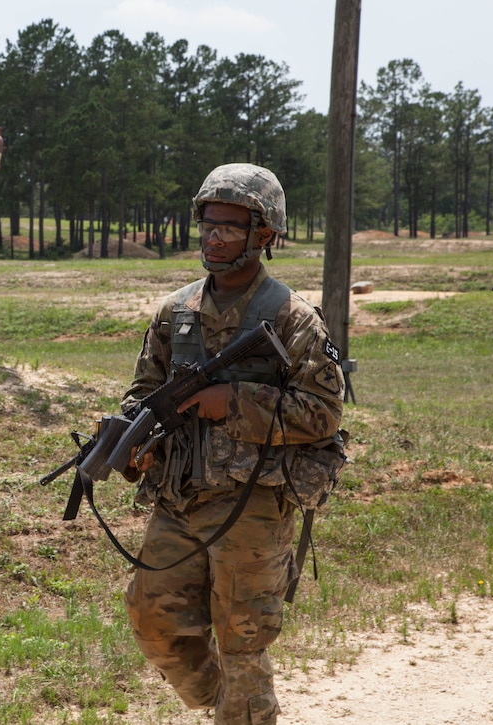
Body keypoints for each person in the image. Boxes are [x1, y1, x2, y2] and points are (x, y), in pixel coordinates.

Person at [121, 163, 344, 725]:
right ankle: (228, 706)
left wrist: (236, 402)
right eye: (208, 223)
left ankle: (242, 709)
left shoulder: (293, 319)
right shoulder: (176, 311)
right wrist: (133, 435)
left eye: (231, 226)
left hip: (253, 503)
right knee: (153, 621)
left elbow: (321, 414)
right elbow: (143, 390)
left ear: (264, 235)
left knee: (243, 645)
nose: (214, 236)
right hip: (179, 499)